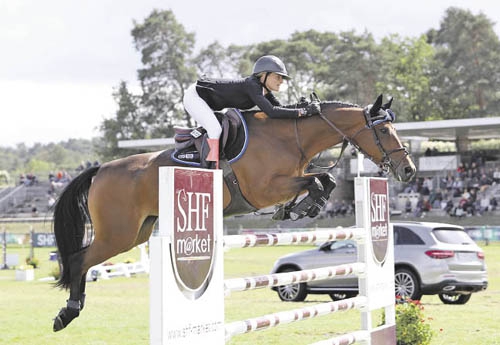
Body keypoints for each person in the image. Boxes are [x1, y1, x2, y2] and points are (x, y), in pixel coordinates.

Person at [183, 55, 321, 169]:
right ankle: (208, 168)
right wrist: (304, 111)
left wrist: (301, 108)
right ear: (264, 75)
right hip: (194, 96)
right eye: (278, 77)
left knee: (218, 128)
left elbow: (280, 109)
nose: (281, 81)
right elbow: (272, 112)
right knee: (215, 129)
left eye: (282, 78)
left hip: (207, 101)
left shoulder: (263, 90)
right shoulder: (252, 86)